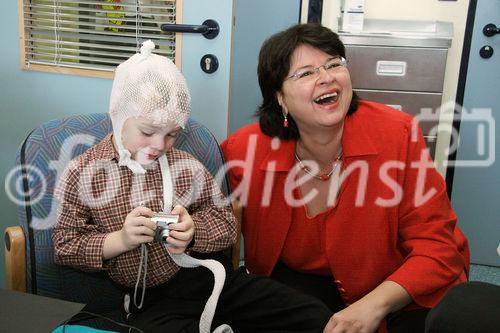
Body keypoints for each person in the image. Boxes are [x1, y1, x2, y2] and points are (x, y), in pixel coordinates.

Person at [52, 40, 332, 333]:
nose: (159, 146)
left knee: (312, 314)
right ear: (118, 116)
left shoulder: (186, 166)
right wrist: (121, 240)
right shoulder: (82, 172)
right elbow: (65, 246)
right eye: (147, 132)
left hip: (210, 278)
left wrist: (193, 231)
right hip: (150, 300)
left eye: (172, 134)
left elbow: (226, 223)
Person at [221, 24, 470, 333]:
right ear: (280, 98)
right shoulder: (242, 149)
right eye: (307, 73)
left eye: (334, 64)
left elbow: (438, 247)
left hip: (395, 282)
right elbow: (212, 222)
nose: (327, 78)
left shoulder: (398, 135)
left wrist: (373, 306)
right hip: (297, 284)